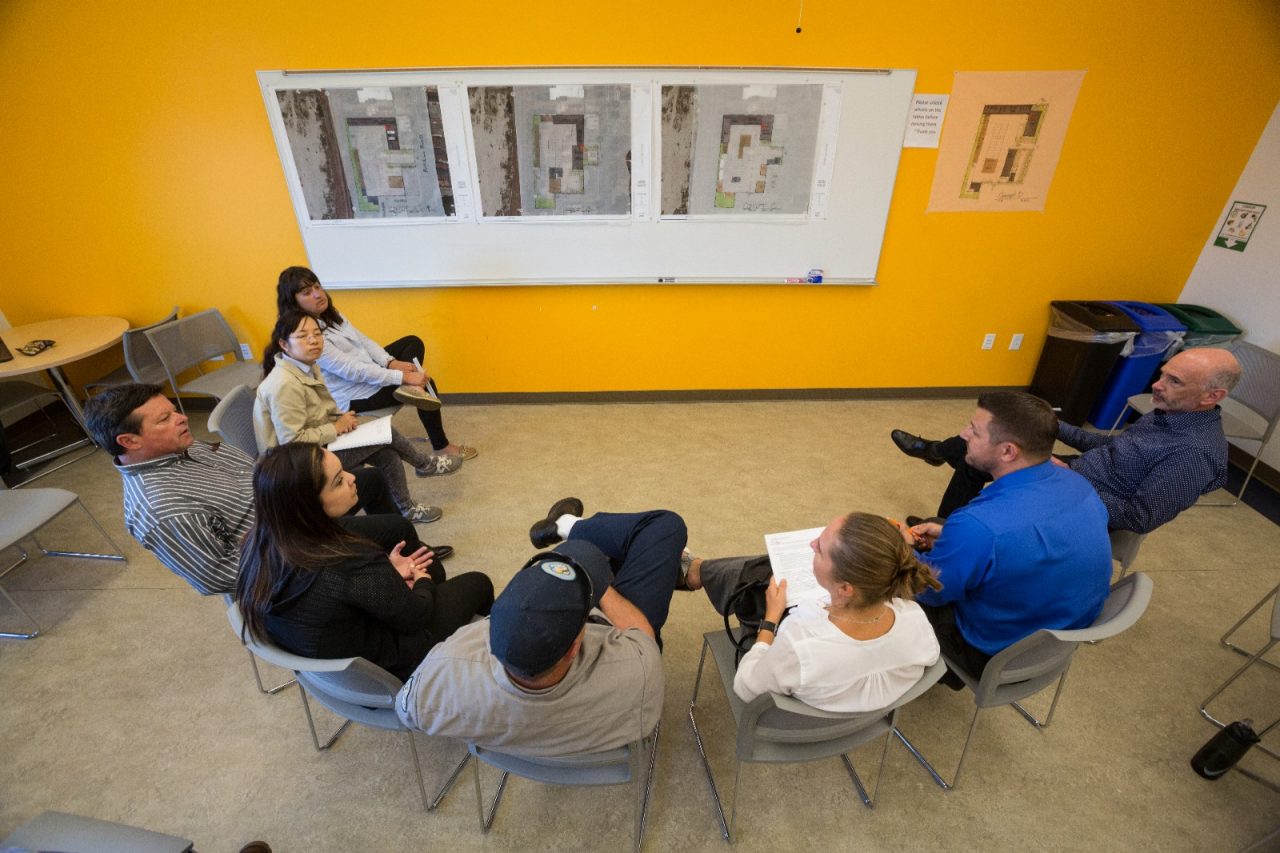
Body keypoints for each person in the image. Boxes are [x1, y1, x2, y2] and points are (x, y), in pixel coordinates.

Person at [83, 383, 451, 596]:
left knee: (367, 480)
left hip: (290, 518)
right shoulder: (161, 508)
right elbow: (218, 577)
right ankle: (412, 586)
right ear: (129, 440)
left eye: (174, 410)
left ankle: (405, 568)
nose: (182, 418)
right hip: (290, 553)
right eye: (165, 419)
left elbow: (257, 474)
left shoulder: (185, 446)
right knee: (394, 531)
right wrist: (313, 547)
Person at [395, 498, 684, 757]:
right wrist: (599, 584)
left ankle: (577, 534)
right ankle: (571, 528)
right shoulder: (638, 671)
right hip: (609, 631)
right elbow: (643, 637)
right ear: (573, 648)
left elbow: (405, 711)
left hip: (514, 738)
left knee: (610, 555)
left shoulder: (436, 680)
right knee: (664, 526)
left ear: (491, 639)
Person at [891, 347, 1243, 533]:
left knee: (988, 452)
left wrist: (1064, 476)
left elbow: (1140, 518)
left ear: (1212, 395)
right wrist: (1046, 421)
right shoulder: (1172, 414)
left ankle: (936, 460)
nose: (1157, 384)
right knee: (983, 446)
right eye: (1163, 374)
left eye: (1175, 381)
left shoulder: (1193, 454)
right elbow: (1109, 448)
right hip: (1074, 474)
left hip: (1080, 500)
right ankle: (944, 518)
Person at [903, 391, 1113, 686]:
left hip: (991, 652)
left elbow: (929, 589)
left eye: (974, 431)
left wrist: (901, 548)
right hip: (1053, 644)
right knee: (942, 527)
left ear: (1007, 452)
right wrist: (955, 538)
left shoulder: (978, 525)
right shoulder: (1079, 486)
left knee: (878, 570)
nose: (963, 435)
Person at [235, 443, 493, 681]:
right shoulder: (351, 560)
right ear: (308, 505)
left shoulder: (256, 547)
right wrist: (421, 581)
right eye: (338, 481)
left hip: (331, 677)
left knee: (425, 566)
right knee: (478, 582)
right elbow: (416, 615)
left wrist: (384, 575)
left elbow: (338, 596)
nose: (352, 477)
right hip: (392, 673)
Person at [682, 512, 941, 712]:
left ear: (845, 588)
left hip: (793, 724)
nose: (811, 543)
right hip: (862, 720)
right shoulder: (915, 620)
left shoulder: (799, 644)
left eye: (820, 549)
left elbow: (745, 686)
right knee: (760, 570)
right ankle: (695, 570)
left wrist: (770, 621)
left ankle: (691, 571)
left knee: (759, 577)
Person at [253, 309, 459, 525]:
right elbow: (292, 443)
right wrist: (336, 428)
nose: (314, 340)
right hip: (298, 465)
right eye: (303, 336)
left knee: (386, 452)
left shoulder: (307, 365)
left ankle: (406, 507)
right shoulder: (284, 384)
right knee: (386, 436)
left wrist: (341, 418)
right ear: (284, 345)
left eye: (317, 333)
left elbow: (319, 410)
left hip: (318, 445)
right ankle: (424, 465)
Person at [277, 265, 475, 461]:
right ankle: (441, 447)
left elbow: (365, 342)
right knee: (427, 384)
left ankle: (411, 388)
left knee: (412, 343)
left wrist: (391, 362)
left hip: (369, 371)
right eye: (307, 292)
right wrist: (403, 376)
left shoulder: (330, 316)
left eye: (318, 287)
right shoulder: (310, 338)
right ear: (293, 302)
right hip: (355, 393)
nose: (318, 294)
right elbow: (354, 371)